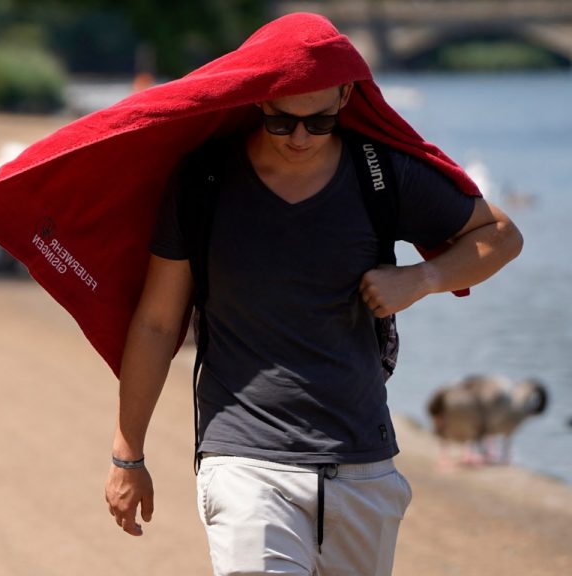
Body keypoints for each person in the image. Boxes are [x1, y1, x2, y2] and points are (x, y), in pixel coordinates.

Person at [102, 14, 523, 576]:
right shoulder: (203, 182)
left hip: (362, 465)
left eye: (320, 121)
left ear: (346, 95)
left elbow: (502, 236)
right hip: (245, 461)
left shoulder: (382, 176)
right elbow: (156, 323)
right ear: (258, 100)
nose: (300, 137)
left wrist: (420, 280)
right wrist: (127, 453)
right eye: (283, 121)